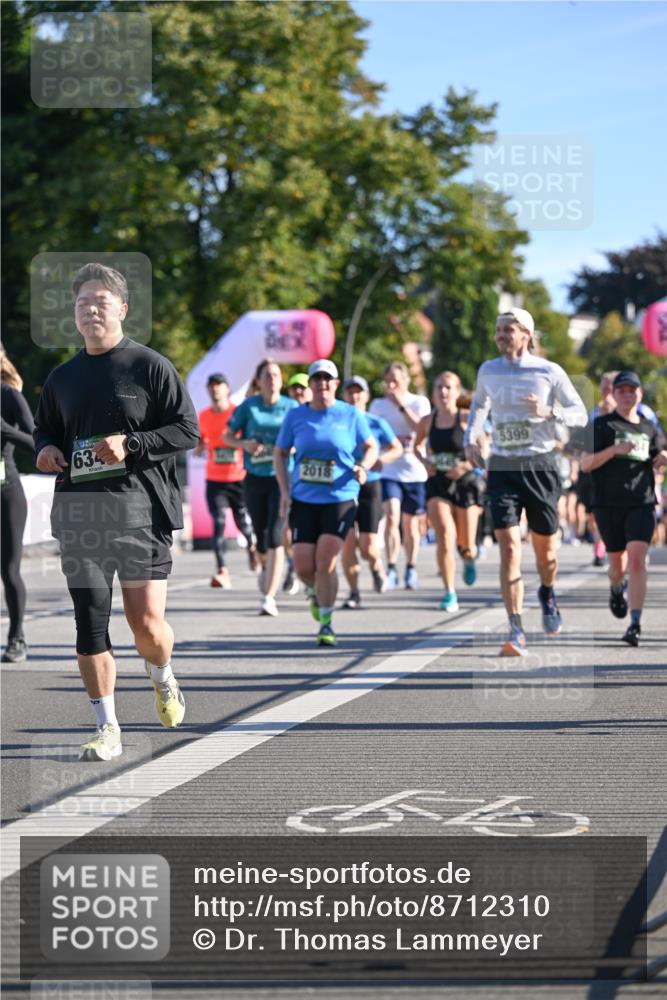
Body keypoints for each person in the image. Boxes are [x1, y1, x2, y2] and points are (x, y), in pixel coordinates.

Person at [34, 263, 199, 761]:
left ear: (122, 309)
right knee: (89, 623)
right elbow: (45, 432)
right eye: (83, 302)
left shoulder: (150, 367)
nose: (90, 309)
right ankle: (107, 726)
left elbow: (187, 431)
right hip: (80, 516)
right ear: (75, 313)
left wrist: (132, 442)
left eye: (101, 302)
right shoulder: (61, 378)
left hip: (140, 513)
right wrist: (44, 451)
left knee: (146, 626)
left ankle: (162, 675)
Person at [464, 308, 588, 656]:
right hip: (503, 465)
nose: (501, 335)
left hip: (541, 465)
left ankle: (547, 591)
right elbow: (478, 408)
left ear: (526, 334)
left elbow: (579, 413)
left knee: (545, 553)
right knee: (508, 545)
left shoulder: (548, 371)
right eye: (498, 330)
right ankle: (515, 627)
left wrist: (549, 412)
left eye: (508, 329)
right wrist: (470, 439)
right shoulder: (488, 370)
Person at [274, 359, 377, 646]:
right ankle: (315, 592)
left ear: (335, 384)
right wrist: (285, 491)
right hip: (304, 499)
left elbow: (371, 446)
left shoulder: (350, 414)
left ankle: (327, 622)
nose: (322, 384)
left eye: (327, 379)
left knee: (325, 560)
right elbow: (280, 452)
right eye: (316, 379)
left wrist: (364, 466)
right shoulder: (296, 416)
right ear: (311, 384)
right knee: (304, 567)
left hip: (341, 498)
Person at [580, 371, 666, 647]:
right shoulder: (601, 425)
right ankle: (617, 588)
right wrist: (613, 451)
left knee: (638, 558)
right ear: (614, 395)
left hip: (641, 501)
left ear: (640, 395)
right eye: (623, 391)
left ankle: (635, 623)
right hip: (607, 503)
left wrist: (662, 458)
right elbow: (585, 464)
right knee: (617, 564)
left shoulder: (649, 427)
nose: (628, 395)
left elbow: (656, 458)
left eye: (633, 391)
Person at [224, 360, 297, 616]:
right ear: (258, 380)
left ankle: (269, 596)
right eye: (267, 375)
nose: (272, 379)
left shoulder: (292, 407)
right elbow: (227, 436)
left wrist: (295, 448)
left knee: (276, 535)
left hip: (282, 478)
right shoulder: (248, 407)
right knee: (261, 536)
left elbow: (303, 435)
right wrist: (244, 444)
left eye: (276, 374)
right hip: (254, 477)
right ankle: (266, 569)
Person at [415, 371, 483, 612]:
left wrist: (465, 465)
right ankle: (449, 592)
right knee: (445, 535)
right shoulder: (427, 421)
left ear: (457, 392)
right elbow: (417, 447)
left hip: (465, 484)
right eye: (439, 388)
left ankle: (468, 558)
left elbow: (483, 452)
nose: (443, 392)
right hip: (438, 483)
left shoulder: (466, 418)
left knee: (467, 544)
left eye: (448, 388)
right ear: (433, 393)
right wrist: (426, 463)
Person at [340, 376, 403, 608]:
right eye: (350, 392)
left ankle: (377, 566)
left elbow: (396, 447)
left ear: (366, 397)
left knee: (367, 546)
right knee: (347, 543)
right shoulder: (338, 421)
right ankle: (354, 592)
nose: (354, 397)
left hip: (370, 486)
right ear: (344, 396)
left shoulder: (375, 422)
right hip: (342, 487)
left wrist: (380, 460)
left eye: (359, 392)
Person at [369, 361, 431, 590]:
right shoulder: (377, 405)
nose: (392, 385)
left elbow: (420, 430)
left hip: (414, 469)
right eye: (388, 381)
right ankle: (392, 566)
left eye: (396, 380)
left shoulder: (419, 402)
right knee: (392, 516)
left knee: (411, 524)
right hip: (388, 470)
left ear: (406, 381)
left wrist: (401, 405)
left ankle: (411, 567)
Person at [195, 373, 258, 589]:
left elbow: (248, 436)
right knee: (219, 523)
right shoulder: (203, 416)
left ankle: (251, 546)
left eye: (219, 386)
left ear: (227, 389)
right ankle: (222, 570)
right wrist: (200, 447)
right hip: (214, 479)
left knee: (242, 521)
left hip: (237, 477)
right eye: (211, 386)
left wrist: (239, 444)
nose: (215, 390)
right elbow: (201, 439)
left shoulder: (237, 413)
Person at [1, 350, 35, 663]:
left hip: (6, 491)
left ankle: (17, 637)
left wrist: (5, 429)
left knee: (9, 569)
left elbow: (38, 441)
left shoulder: (9, 395)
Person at [282, 373, 312, 594]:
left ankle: (304, 570)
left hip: (310, 484)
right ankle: (293, 564)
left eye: (302, 388)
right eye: (294, 388)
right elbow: (279, 448)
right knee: (285, 530)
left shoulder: (318, 413)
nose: (298, 392)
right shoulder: (290, 414)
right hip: (287, 478)